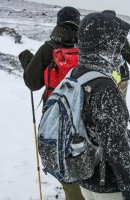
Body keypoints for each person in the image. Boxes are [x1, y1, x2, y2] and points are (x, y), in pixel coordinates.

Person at [71, 12, 130, 200]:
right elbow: (118, 149)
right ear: (105, 44)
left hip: (87, 178)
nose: (118, 51)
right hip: (110, 185)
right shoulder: (104, 88)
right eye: (116, 45)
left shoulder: (76, 73)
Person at [18, 6, 84, 200]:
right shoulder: (85, 47)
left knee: (61, 151)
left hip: (54, 113)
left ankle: (72, 193)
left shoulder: (49, 47)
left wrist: (27, 61)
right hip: (82, 109)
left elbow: (32, 83)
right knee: (82, 149)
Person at [101, 10, 130, 100]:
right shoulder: (120, 36)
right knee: (120, 104)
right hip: (121, 74)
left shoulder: (95, 37)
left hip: (101, 75)